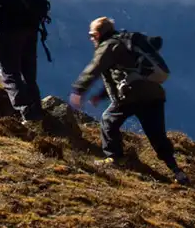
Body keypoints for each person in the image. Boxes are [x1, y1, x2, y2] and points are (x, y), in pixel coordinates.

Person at [70, 17, 188, 185]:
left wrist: (78, 90)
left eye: (91, 34)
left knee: (108, 121)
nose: (90, 38)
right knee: (157, 135)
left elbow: (94, 68)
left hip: (131, 94)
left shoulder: (108, 45)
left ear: (97, 33)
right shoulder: (128, 43)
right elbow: (124, 74)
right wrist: (101, 96)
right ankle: (177, 171)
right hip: (154, 93)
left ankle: (114, 158)